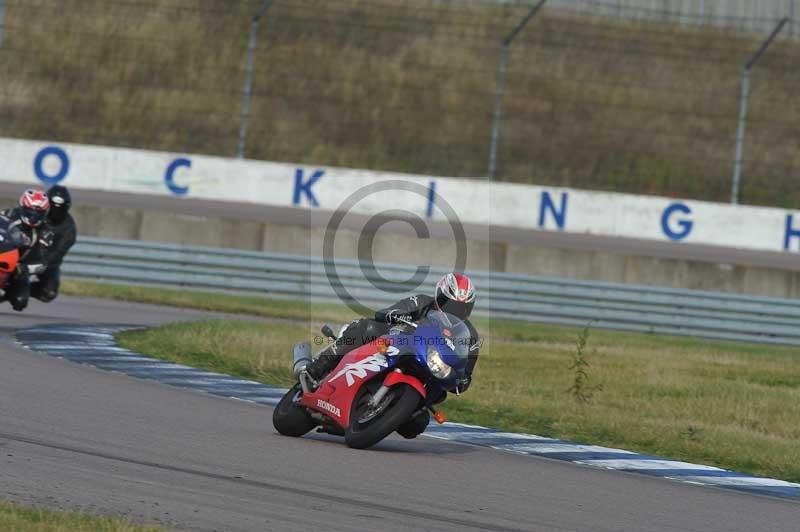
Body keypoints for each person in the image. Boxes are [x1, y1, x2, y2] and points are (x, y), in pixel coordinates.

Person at [303, 273, 480, 438]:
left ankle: (382, 416)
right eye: (450, 303)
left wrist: (462, 380)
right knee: (367, 328)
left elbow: (466, 372)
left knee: (418, 423)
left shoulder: (470, 335)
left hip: (429, 365)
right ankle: (319, 366)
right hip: (398, 344)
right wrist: (393, 314)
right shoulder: (422, 302)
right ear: (439, 296)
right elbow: (391, 311)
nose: (454, 311)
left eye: (461, 307)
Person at [0, 189, 51, 311]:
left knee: (20, 302)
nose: (33, 216)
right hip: (3, 254)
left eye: (38, 213)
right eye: (30, 211)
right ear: (22, 207)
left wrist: (24, 268)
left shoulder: (46, 233)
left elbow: (43, 262)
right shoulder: (8, 214)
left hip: (19, 267)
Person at [29, 185, 76, 303]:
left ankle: (19, 291)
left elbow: (58, 253)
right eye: (53, 206)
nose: (56, 211)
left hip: (47, 263)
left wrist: (41, 265)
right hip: (25, 254)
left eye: (60, 208)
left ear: (66, 207)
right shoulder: (36, 213)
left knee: (49, 293)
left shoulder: (69, 229)